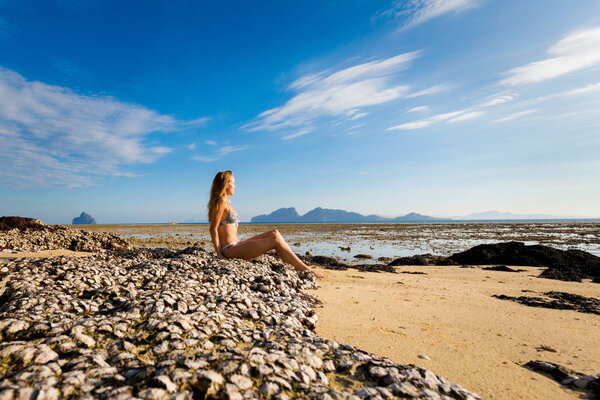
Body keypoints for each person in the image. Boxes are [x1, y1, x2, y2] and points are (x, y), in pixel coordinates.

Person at [208, 170, 325, 278]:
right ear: (225, 184)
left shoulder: (227, 202)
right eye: (233, 183)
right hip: (229, 249)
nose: (235, 186)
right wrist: (219, 254)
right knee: (274, 241)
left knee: (274, 232)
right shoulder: (222, 201)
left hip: (237, 244)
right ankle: (305, 269)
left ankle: (301, 266)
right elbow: (213, 229)